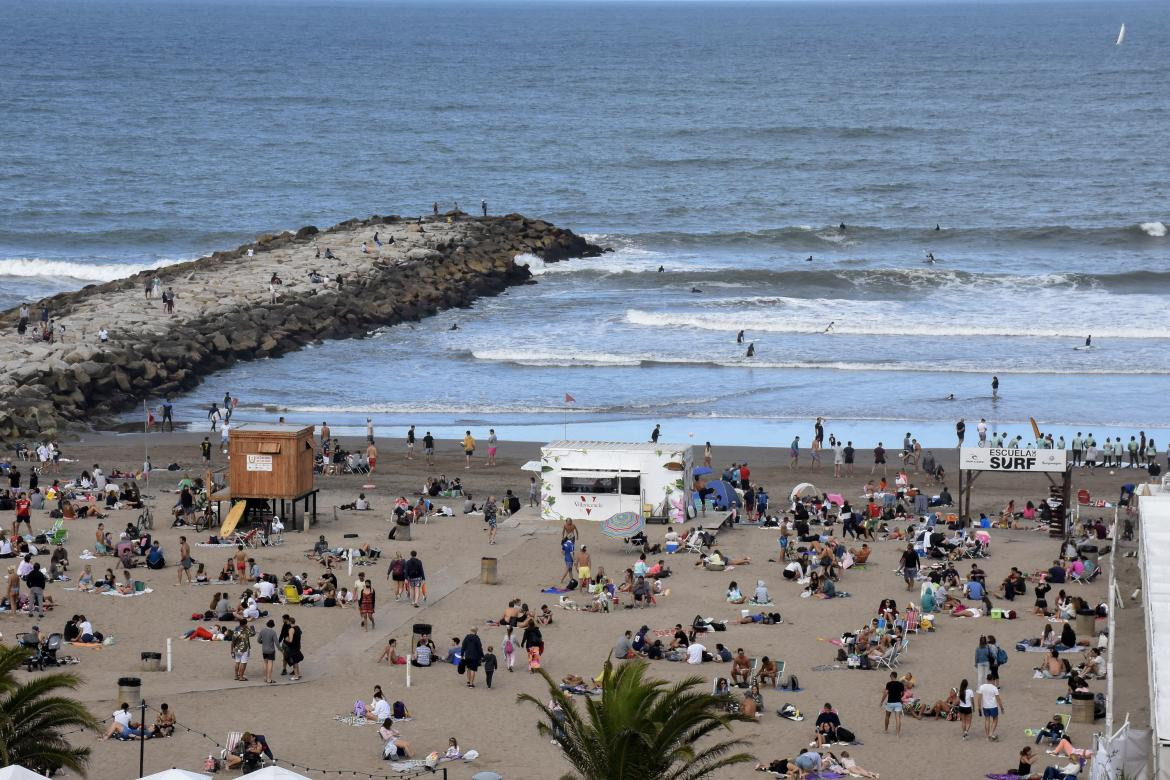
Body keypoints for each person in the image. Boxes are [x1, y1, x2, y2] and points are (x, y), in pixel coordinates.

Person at [978, 672, 1003, 741]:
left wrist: (979, 708)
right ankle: (991, 733)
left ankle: (987, 736)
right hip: (993, 706)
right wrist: (1002, 708)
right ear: (992, 679)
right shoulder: (994, 688)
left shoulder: (982, 687)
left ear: (987, 679)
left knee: (987, 720)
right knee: (995, 719)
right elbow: (998, 699)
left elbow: (979, 698)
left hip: (985, 706)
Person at [881, 671, 904, 736]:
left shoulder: (889, 684)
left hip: (890, 702)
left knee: (887, 716)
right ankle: (897, 734)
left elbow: (885, 693)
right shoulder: (900, 684)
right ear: (896, 676)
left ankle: (886, 730)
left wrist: (882, 702)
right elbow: (902, 693)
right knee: (898, 718)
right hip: (898, 702)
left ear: (891, 676)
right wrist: (900, 697)